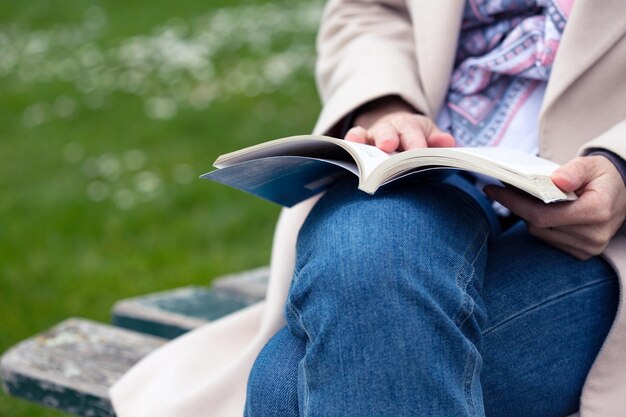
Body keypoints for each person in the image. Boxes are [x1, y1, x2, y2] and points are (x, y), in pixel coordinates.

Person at [109, 1, 626, 416]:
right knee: (365, 255)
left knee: (287, 389)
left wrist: (621, 168)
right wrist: (385, 103)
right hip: (421, 157)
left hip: (597, 219)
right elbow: (369, 10)